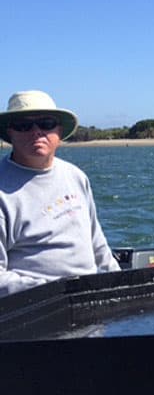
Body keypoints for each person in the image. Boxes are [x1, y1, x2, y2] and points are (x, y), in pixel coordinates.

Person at [0, 90, 120, 297]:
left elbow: (97, 243)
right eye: (24, 125)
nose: (36, 132)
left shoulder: (76, 176)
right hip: (37, 309)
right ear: (10, 132)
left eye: (46, 123)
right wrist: (56, 291)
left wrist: (118, 282)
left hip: (90, 299)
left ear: (59, 131)